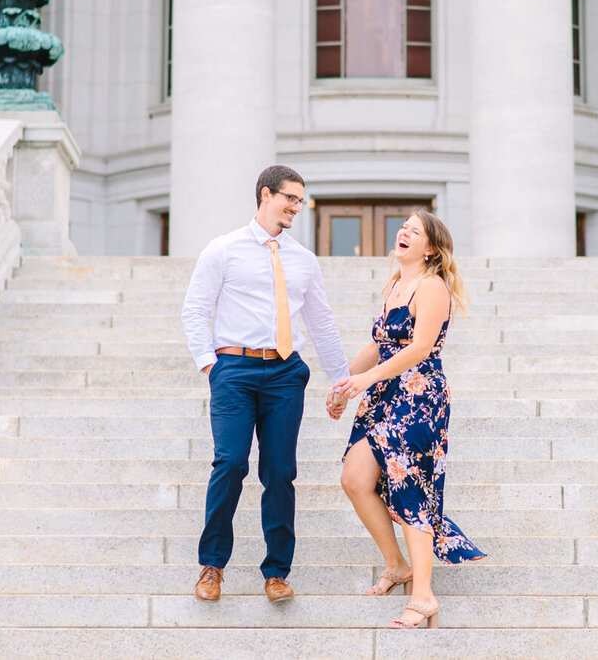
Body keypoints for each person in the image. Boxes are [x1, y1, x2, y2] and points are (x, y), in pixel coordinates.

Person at [182, 165, 349, 604]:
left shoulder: (303, 260)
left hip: (284, 374)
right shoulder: (223, 250)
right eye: (289, 198)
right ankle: (211, 567)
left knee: (280, 473)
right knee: (231, 463)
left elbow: (321, 323)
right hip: (234, 370)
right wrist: (209, 366)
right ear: (265, 195)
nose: (296, 206)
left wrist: (342, 379)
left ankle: (276, 572)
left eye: (300, 200)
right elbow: (196, 309)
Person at [331, 209, 486, 629]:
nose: (404, 232)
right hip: (384, 393)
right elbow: (379, 343)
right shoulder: (397, 285)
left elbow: (419, 348)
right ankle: (396, 564)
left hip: (418, 396)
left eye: (414, 231)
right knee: (354, 478)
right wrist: (345, 384)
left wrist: (365, 379)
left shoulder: (432, 286)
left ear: (430, 248)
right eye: (404, 227)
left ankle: (423, 596)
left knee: (410, 486)